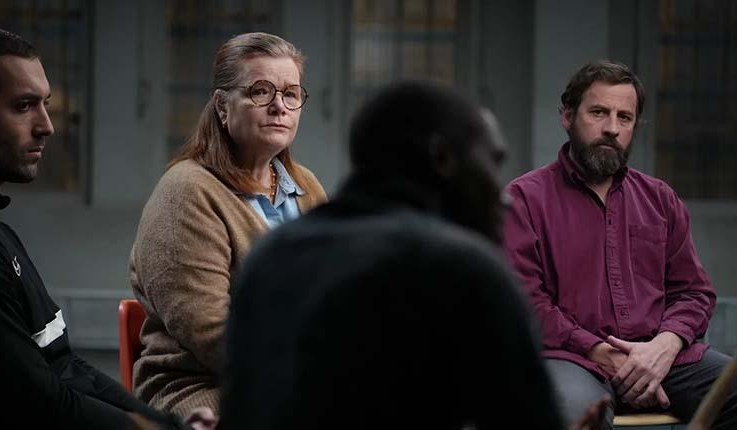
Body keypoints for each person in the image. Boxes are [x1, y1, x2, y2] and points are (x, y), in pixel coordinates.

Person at [220, 81, 604, 430]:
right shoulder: (464, 269)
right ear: (442, 158)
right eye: (493, 161)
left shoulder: (272, 257)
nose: (503, 197)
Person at [0, 26, 193, 430]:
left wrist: (169, 424)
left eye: (45, 104)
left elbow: (64, 367)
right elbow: (43, 410)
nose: (47, 125)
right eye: (24, 106)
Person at [502, 60, 737, 429]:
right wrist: (596, 349)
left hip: (663, 359)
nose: (612, 128)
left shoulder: (660, 198)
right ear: (567, 116)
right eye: (598, 112)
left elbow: (694, 292)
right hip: (572, 359)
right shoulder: (523, 199)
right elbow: (525, 303)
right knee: (570, 413)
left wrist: (665, 345)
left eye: (624, 117)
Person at [128, 32, 327, 418]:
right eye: (261, 91)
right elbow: (212, 334)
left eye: (290, 94)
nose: (279, 106)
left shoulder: (307, 186)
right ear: (222, 105)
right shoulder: (186, 192)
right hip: (205, 389)